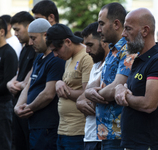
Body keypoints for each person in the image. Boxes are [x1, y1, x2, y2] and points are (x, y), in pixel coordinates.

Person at [114, 8, 158, 150]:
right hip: (134, 144)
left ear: (145, 31)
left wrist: (124, 96)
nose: (123, 34)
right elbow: (128, 89)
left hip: (148, 145)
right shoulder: (139, 59)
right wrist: (120, 88)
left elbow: (149, 104)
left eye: (128, 29)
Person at [84, 3, 136, 150]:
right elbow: (93, 85)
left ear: (116, 24)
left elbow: (116, 87)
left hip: (119, 134)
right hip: (107, 133)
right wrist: (89, 92)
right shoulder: (113, 51)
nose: (98, 29)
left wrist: (93, 93)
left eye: (101, 24)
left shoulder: (128, 49)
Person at [14, 18, 65, 150]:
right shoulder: (39, 57)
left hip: (47, 126)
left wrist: (29, 108)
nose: (30, 43)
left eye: (33, 38)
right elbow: (30, 83)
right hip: (34, 125)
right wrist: (18, 106)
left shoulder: (56, 59)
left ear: (45, 35)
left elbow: (48, 94)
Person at [46, 23, 93, 150]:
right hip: (63, 130)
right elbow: (67, 83)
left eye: (56, 49)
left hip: (78, 132)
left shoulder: (86, 57)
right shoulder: (68, 58)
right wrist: (58, 83)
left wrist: (64, 91)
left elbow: (88, 94)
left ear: (68, 41)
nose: (55, 55)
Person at [76, 22, 109, 150]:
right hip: (89, 136)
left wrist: (85, 98)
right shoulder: (95, 65)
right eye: (85, 45)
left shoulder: (111, 64)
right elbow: (84, 96)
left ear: (103, 41)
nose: (87, 50)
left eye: (90, 45)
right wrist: (80, 102)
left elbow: (100, 100)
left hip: (104, 138)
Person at [8, 11, 36, 150]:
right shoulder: (24, 48)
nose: (15, 34)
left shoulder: (38, 50)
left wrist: (21, 84)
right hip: (16, 104)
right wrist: (11, 83)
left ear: (29, 26)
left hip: (28, 107)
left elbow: (32, 76)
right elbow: (20, 72)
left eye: (17, 30)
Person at [0, 17, 18, 150]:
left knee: (4, 142)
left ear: (1, 32)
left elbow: (8, 82)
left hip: (3, 105)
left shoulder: (9, 52)